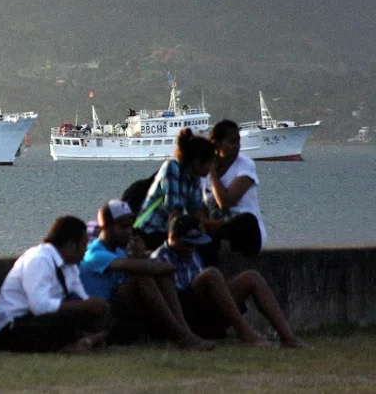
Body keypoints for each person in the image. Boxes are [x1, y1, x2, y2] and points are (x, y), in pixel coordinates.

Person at [151, 214, 308, 348]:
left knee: (251, 277)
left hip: (208, 310)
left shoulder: (193, 254)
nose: (191, 248)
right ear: (172, 238)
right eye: (188, 243)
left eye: (195, 244)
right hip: (185, 314)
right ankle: (247, 335)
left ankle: (288, 337)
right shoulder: (159, 258)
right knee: (211, 274)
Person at [79, 200, 214, 350]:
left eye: (130, 226)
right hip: (99, 316)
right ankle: (183, 336)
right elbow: (133, 267)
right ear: (105, 227)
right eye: (122, 227)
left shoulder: (118, 251)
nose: (129, 231)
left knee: (159, 274)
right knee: (142, 277)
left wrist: (143, 258)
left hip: (118, 312)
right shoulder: (95, 253)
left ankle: (185, 333)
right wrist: (153, 263)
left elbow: (144, 267)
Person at [0, 216, 111, 353]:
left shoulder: (70, 266)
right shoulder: (39, 259)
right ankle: (76, 344)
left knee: (102, 315)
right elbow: (39, 306)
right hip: (13, 326)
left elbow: (80, 297)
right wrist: (82, 305)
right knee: (62, 320)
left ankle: (83, 341)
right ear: (71, 246)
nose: (85, 250)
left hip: (40, 318)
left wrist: (94, 307)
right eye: (84, 245)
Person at [198, 119, 266, 266]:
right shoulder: (202, 172)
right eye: (232, 142)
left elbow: (226, 202)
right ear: (217, 144)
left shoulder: (245, 165)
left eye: (238, 141)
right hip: (218, 232)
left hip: (248, 234)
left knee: (247, 219)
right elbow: (201, 206)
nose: (237, 147)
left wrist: (213, 173)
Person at [133, 128, 213, 250]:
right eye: (209, 162)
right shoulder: (172, 167)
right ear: (197, 162)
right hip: (151, 231)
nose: (211, 167)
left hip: (169, 228)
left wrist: (208, 227)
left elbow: (195, 208)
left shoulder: (194, 177)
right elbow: (174, 209)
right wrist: (173, 241)